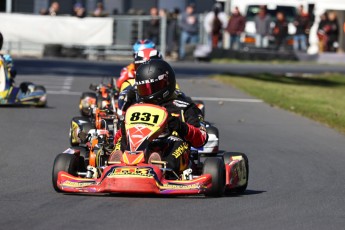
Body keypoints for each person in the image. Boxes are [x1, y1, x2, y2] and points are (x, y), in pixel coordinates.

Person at [110, 60, 207, 174]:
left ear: (165, 83)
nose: (147, 92)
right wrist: (124, 128)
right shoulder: (137, 107)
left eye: (150, 88)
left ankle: (162, 167)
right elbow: (117, 138)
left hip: (168, 146)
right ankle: (116, 162)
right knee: (123, 138)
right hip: (140, 146)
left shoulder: (185, 107)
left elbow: (202, 138)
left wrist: (180, 126)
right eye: (143, 88)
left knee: (177, 141)